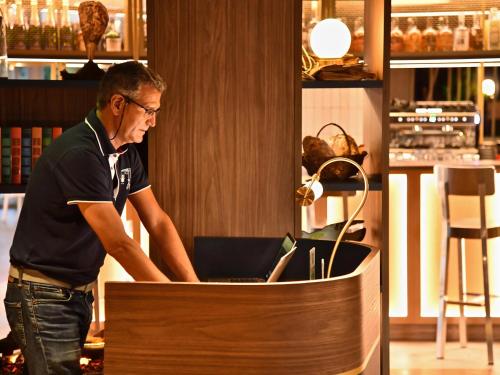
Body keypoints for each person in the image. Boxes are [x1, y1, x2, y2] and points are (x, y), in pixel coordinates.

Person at [3, 61, 199, 374]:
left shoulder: (124, 153)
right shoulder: (81, 153)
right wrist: (171, 299)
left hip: (76, 294)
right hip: (43, 296)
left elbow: (158, 221)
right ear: (118, 103)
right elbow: (118, 243)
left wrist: (196, 290)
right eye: (149, 110)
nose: (153, 121)